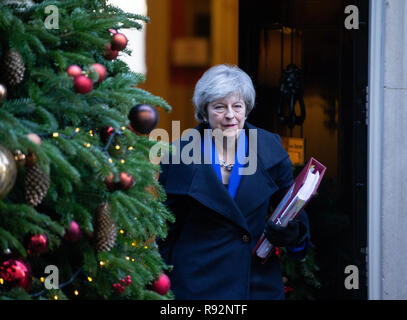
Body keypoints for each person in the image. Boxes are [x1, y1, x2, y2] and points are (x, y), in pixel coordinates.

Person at [157, 64, 311, 300]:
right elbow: (166, 228)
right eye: (219, 107)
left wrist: (293, 234)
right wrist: (160, 283)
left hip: (256, 284)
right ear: (204, 111)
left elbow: (293, 210)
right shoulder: (178, 154)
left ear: (246, 110)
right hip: (196, 284)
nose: (230, 115)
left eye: (237, 106)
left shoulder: (270, 149)